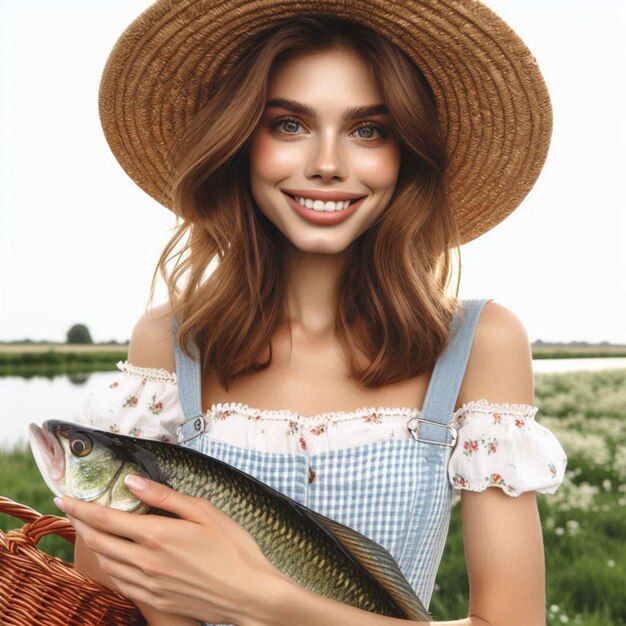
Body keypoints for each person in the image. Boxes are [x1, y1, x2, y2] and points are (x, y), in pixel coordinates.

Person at [54, 1, 568, 625]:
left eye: (368, 129)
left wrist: (258, 599)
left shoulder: (478, 342)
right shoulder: (170, 344)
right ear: (242, 143)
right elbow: (107, 606)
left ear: (407, 154)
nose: (327, 163)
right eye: (289, 125)